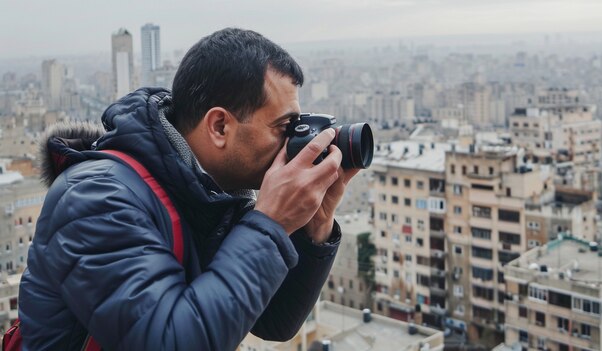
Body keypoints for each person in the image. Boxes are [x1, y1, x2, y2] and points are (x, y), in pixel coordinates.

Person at [18, 28, 359, 350]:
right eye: (284, 127)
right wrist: (271, 223)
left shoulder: (211, 191)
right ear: (220, 126)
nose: (293, 142)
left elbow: (274, 322)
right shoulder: (96, 199)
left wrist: (316, 227)